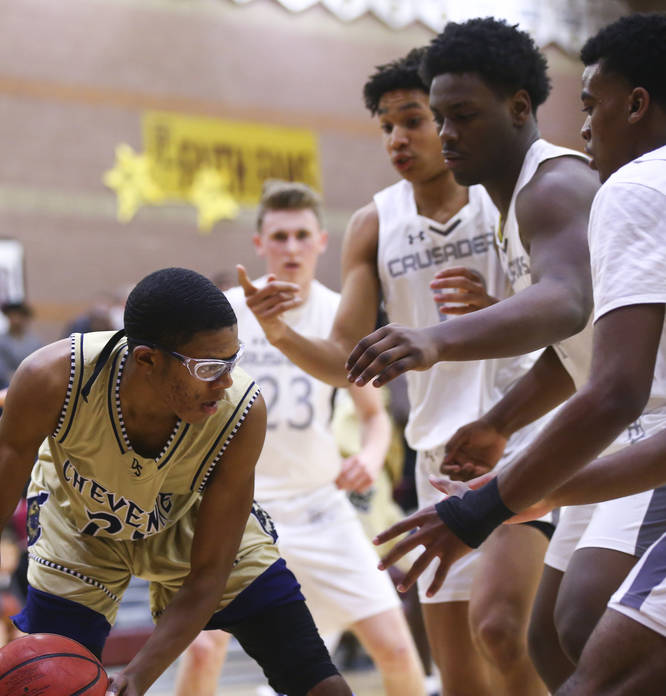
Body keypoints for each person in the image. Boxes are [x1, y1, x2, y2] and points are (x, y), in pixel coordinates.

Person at [351, 18, 666, 689]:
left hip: (633, 428)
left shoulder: (559, 185)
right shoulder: (515, 204)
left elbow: (567, 303)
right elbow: (576, 348)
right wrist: (501, 422)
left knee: (583, 626)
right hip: (607, 427)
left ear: (520, 108)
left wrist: (434, 340)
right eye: (440, 118)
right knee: (546, 634)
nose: (447, 134)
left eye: (461, 115)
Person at [237, 47, 554, 696]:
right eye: (386, 126)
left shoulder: (503, 194)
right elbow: (343, 362)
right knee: (459, 676)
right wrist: (278, 332)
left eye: (413, 120)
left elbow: (568, 313)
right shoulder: (374, 222)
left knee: (501, 630)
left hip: (520, 433)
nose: (398, 138)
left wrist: (499, 313)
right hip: (437, 458)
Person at [0, 267, 351, 696]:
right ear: (146, 359)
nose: (226, 381)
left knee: (322, 686)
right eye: (209, 367)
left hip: (188, 521)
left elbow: (209, 574)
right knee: (51, 682)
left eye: (232, 360)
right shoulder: (52, 378)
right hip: (81, 526)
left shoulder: (241, 414)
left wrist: (138, 675)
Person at [174, 181, 425, 696]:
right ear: (259, 243)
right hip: (235, 509)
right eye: (280, 236)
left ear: (321, 242)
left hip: (318, 506)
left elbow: (375, 417)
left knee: (398, 650)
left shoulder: (340, 316)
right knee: (201, 649)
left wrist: (371, 458)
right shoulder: (223, 313)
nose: (291, 247)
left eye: (301, 236)